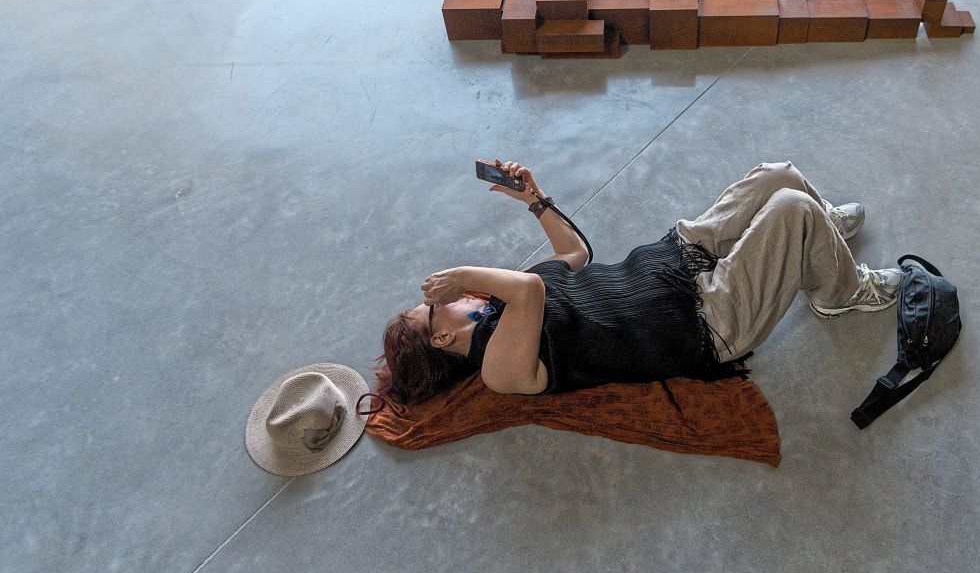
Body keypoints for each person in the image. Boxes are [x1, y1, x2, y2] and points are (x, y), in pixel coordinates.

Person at [372, 160, 902, 406]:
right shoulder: (498, 368)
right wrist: (463, 275)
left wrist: (534, 199)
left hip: (669, 265)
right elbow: (531, 291)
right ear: (442, 336)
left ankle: (821, 241)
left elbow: (575, 255)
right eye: (434, 304)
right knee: (791, 209)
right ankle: (840, 291)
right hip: (703, 320)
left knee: (777, 176)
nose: (447, 292)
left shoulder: (498, 300)